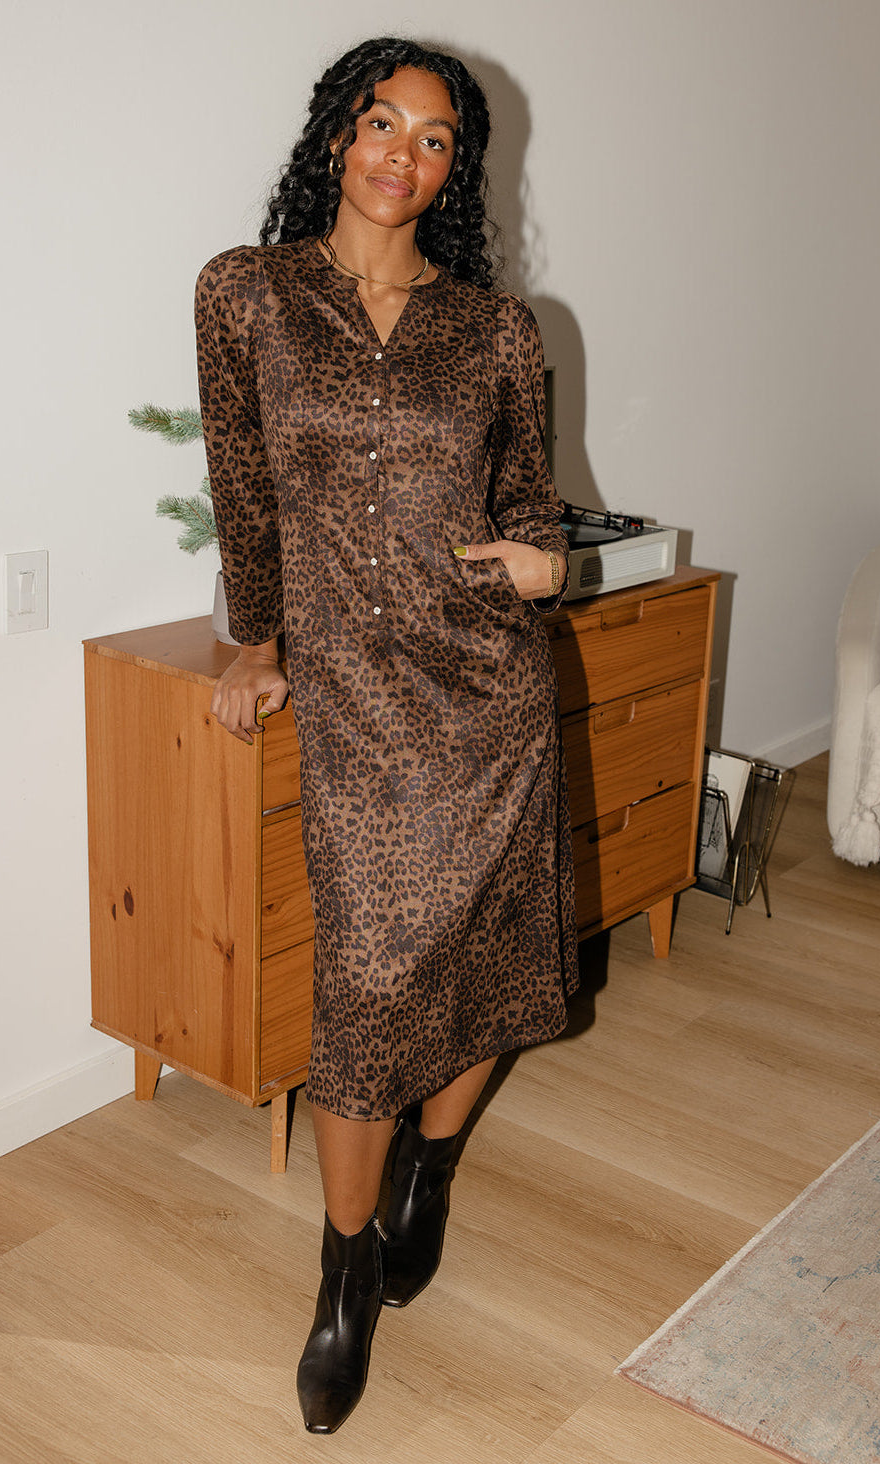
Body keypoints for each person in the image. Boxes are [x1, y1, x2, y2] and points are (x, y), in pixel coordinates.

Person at [195, 36, 577, 1435]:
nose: (400, 155)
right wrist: (255, 643)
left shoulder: (498, 327)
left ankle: (431, 1169)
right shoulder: (246, 293)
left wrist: (545, 562)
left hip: (487, 693)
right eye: (379, 122)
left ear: (454, 170)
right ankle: (344, 1274)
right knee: (364, 991)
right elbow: (243, 486)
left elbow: (533, 504)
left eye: (433, 139)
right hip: (356, 703)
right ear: (335, 135)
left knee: (493, 960)